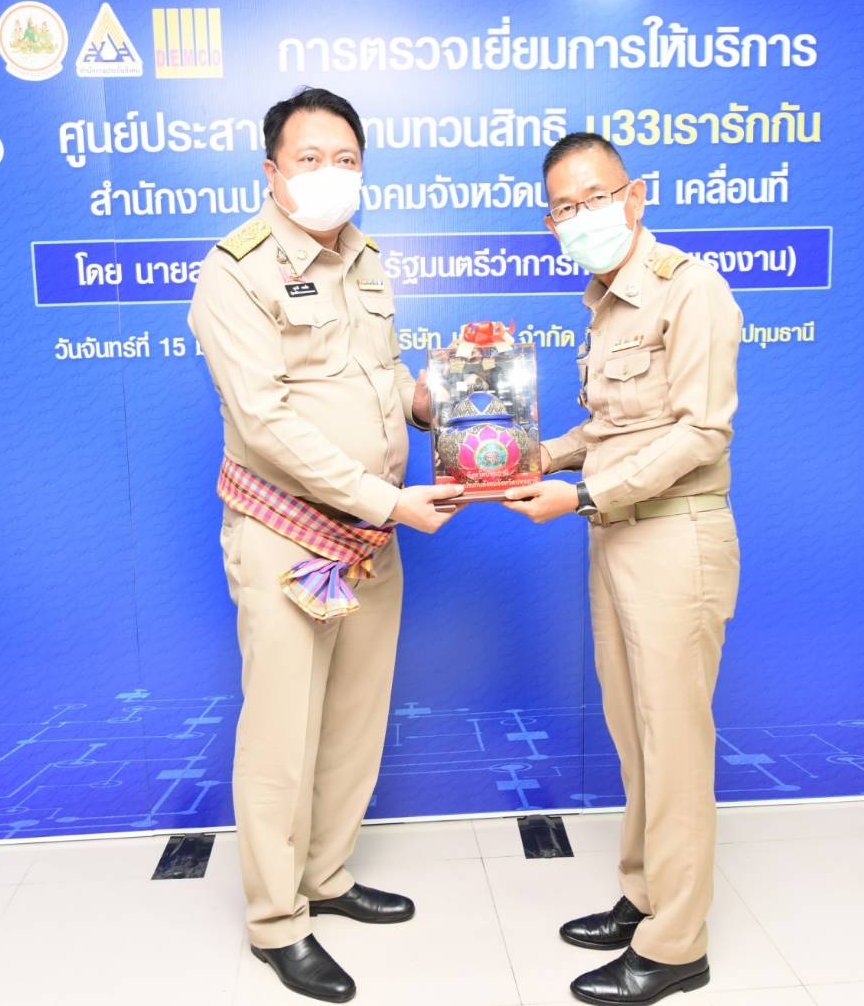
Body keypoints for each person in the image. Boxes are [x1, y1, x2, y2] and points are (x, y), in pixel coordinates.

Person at [187, 87, 462, 1004]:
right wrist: (387, 498)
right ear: (271, 172)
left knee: (353, 717)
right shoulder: (234, 272)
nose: (330, 174)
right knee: (282, 730)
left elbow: (380, 375)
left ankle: (326, 873)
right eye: (309, 159)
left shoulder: (365, 258)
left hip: (370, 536)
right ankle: (276, 920)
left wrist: (450, 397)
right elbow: (263, 422)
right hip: (290, 534)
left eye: (345, 158)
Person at [503, 132, 742, 1005]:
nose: (583, 216)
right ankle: (644, 895)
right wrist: (536, 456)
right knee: (636, 732)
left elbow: (700, 430)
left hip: (673, 536)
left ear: (634, 196)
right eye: (565, 207)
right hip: (613, 533)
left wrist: (583, 493)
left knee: (673, 742)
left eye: (597, 197)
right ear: (550, 222)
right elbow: (610, 429)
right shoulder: (604, 302)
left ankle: (676, 944)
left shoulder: (691, 287)